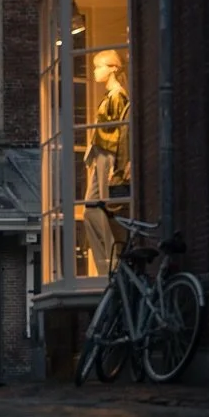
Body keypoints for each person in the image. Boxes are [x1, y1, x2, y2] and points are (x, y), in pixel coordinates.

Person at [82, 49, 130, 276]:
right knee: (91, 208)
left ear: (112, 68)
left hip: (108, 156)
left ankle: (113, 261)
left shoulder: (118, 96)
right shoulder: (111, 96)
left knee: (103, 205)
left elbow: (121, 133)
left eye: (99, 66)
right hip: (101, 155)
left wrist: (119, 165)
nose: (95, 71)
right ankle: (107, 263)